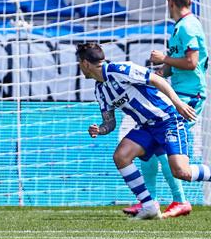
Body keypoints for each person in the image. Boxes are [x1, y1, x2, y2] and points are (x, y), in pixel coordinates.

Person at [76, 42, 211, 220]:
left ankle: (178, 199)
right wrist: (100, 130)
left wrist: (178, 104)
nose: (80, 68)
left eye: (79, 63)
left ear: (85, 63)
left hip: (168, 119)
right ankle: (149, 206)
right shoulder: (100, 90)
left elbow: (157, 80)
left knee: (181, 172)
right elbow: (110, 123)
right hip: (147, 127)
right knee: (121, 156)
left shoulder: (119, 69)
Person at [123, 0, 208, 218]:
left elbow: (191, 63)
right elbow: (175, 67)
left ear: (169, 2)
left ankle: (180, 201)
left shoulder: (188, 27)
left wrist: (164, 58)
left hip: (190, 96)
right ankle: (148, 201)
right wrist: (155, 74)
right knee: (148, 148)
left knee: (163, 145)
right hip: (179, 91)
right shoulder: (180, 26)